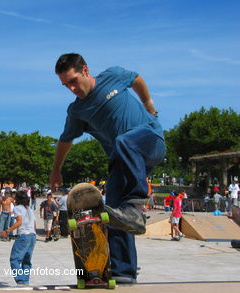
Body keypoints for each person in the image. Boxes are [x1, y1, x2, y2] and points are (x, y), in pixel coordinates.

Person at [49, 53, 165, 283]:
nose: (72, 88)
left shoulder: (112, 76)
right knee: (113, 211)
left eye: (73, 81)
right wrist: (56, 169)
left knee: (124, 140)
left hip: (151, 140)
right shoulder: (77, 111)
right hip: (124, 162)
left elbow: (137, 79)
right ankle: (124, 271)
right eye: (66, 85)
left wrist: (148, 104)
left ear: (85, 70)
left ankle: (135, 206)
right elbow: (65, 140)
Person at [0, 191, 36, 286]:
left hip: (24, 235)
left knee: (14, 259)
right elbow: (34, 223)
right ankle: (25, 281)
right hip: (32, 235)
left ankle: (21, 280)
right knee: (26, 260)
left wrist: (7, 231)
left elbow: (19, 222)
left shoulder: (17, 208)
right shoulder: (29, 209)